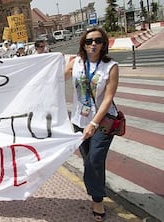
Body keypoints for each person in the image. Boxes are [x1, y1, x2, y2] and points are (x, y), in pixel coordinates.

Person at [64, 28, 119, 222]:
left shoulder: (111, 66)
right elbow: (55, 79)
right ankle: (97, 186)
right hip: (79, 121)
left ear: (103, 43)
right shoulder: (76, 63)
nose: (93, 44)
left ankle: (97, 200)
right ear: (83, 44)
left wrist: (94, 123)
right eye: (88, 42)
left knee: (94, 160)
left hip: (103, 122)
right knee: (89, 160)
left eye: (97, 41)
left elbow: (109, 97)